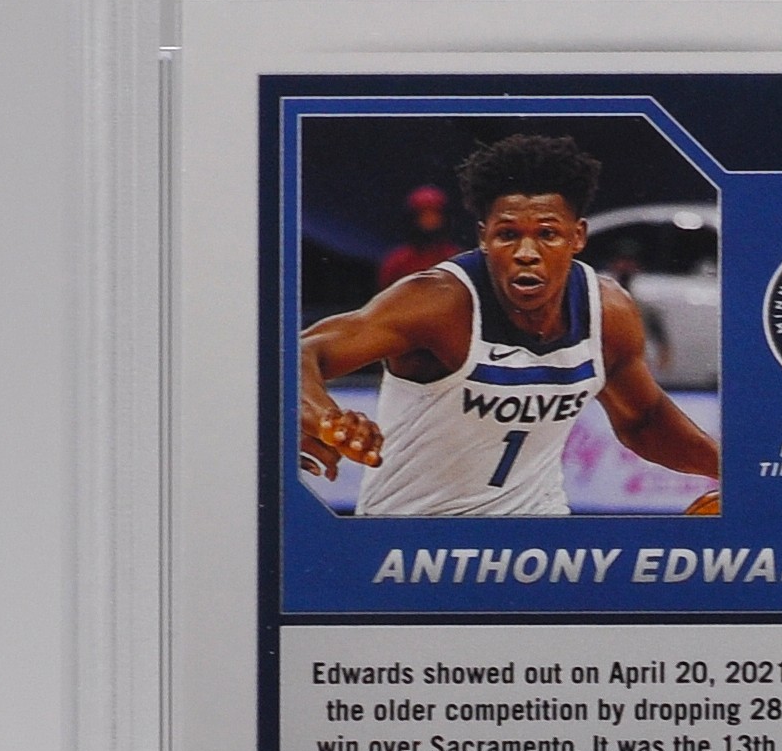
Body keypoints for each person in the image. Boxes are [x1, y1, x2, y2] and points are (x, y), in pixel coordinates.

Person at [299, 131, 720, 517]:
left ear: (578, 237)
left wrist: (733, 472)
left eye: (547, 234)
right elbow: (300, 353)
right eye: (508, 235)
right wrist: (324, 417)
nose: (526, 252)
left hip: (536, 532)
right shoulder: (436, 303)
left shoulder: (607, 311)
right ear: (484, 238)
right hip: (416, 536)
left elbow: (644, 421)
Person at [375, 183, 461, 289]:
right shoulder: (397, 261)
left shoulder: (454, 257)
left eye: (434, 214)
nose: (430, 220)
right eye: (424, 214)